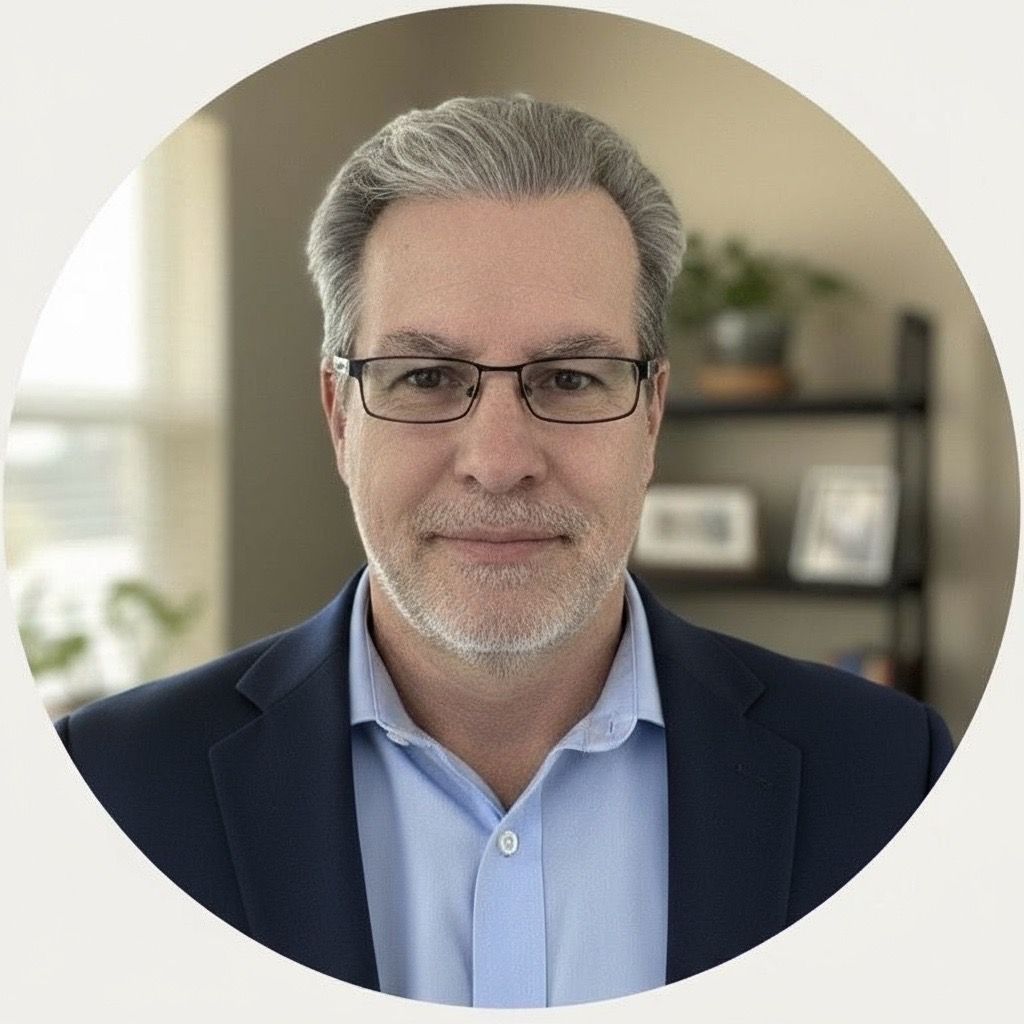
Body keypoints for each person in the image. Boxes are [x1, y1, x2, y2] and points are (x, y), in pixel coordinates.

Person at [56, 95, 953, 1008]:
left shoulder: (891, 780)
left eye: (569, 379)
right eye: (425, 377)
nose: (498, 463)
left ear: (651, 414)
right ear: (338, 417)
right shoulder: (108, 791)